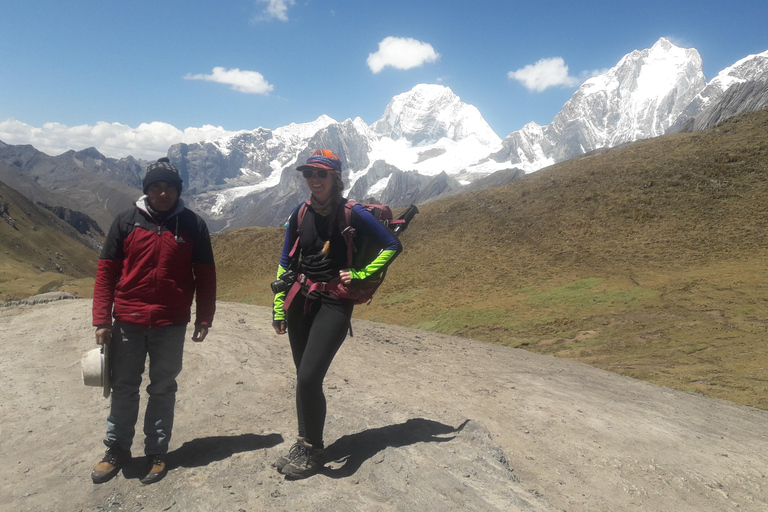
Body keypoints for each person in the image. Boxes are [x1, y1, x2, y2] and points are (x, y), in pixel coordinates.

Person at [271, 149, 402, 480]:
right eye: (308, 174)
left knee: (308, 377)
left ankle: (312, 449)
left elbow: (392, 245)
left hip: (333, 303)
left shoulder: (352, 213)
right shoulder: (300, 213)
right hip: (300, 299)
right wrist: (278, 306)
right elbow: (286, 260)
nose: (314, 180)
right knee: (305, 379)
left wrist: (360, 276)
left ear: (335, 178)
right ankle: (305, 443)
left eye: (321, 174)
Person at [90, 157, 216, 485]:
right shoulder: (126, 220)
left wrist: (204, 317)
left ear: (178, 191)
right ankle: (117, 449)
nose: (163, 193)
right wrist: (102, 319)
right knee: (124, 387)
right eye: (157, 187)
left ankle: (157, 451)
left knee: (163, 387)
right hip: (128, 320)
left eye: (169, 187)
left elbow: (205, 275)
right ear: (147, 190)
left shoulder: (193, 225)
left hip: (170, 323)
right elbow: (106, 272)